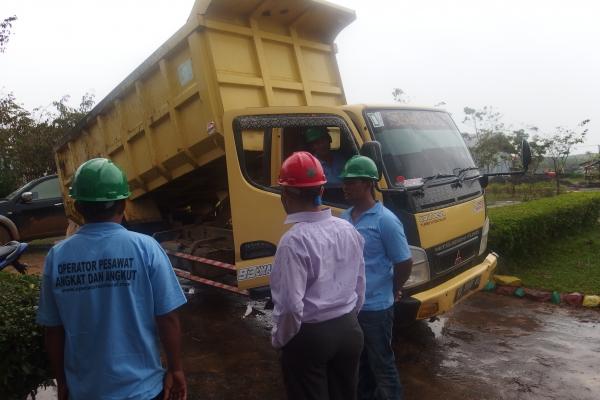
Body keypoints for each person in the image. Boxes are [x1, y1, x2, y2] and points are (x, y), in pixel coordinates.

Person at [36, 158, 188, 400]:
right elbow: (167, 317)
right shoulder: (146, 248)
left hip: (85, 392)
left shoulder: (57, 257)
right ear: (123, 202)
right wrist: (175, 368)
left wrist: (63, 382)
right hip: (144, 390)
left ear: (78, 206)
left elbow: (53, 330)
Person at [271, 151, 366, 400]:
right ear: (321, 191)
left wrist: (280, 340)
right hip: (349, 330)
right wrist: (348, 320)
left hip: (311, 337)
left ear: (286, 195)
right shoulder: (347, 229)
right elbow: (360, 285)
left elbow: (291, 306)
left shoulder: (293, 241)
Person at [339, 156, 413, 400]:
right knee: (359, 364)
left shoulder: (386, 221)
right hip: (351, 307)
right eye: (345, 181)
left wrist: (393, 289)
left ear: (369, 183)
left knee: (382, 364)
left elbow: (404, 262)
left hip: (376, 309)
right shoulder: (343, 219)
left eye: (352, 181)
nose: (346, 186)